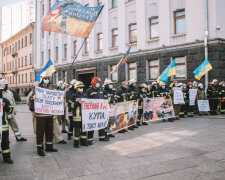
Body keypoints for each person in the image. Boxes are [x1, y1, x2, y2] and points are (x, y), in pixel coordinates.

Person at [29, 72, 58, 156]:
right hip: (40, 115)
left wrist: (59, 100)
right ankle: (40, 149)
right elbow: (31, 100)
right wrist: (33, 98)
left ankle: (49, 147)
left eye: (48, 78)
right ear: (42, 79)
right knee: (40, 132)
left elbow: (55, 99)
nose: (47, 80)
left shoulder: (51, 88)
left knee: (49, 131)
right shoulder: (37, 89)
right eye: (45, 78)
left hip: (49, 114)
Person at [85, 77, 109, 145]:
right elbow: (86, 100)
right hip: (92, 111)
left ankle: (102, 137)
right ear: (93, 83)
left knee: (101, 123)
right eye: (97, 83)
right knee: (92, 125)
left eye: (99, 83)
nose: (98, 84)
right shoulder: (89, 90)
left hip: (100, 111)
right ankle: (90, 139)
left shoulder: (100, 90)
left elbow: (103, 99)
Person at [70, 81, 88, 148]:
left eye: (82, 87)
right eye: (80, 87)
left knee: (84, 130)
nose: (81, 89)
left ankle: (83, 142)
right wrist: (77, 103)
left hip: (84, 117)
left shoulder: (85, 95)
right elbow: (70, 105)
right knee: (77, 131)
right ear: (76, 88)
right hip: (76, 117)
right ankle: (76, 143)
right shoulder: (73, 96)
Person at [0, 79, 14, 164]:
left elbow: (10, 110)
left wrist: (5, 107)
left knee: (5, 142)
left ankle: (7, 157)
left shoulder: (4, 100)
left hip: (4, 125)